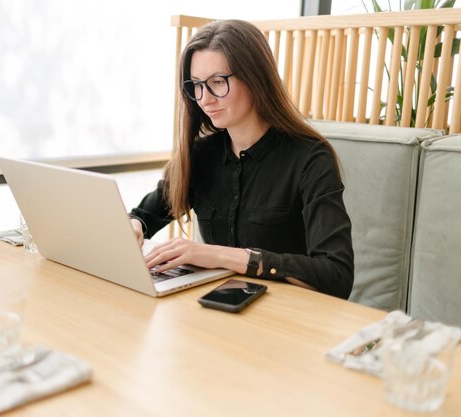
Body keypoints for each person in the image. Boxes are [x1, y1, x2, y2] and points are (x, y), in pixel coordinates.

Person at [129, 19, 354, 299]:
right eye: (197, 85)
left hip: (288, 319)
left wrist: (222, 256)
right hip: (216, 310)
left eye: (217, 82)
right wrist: (134, 226)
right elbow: (145, 215)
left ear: (255, 77)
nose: (205, 99)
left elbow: (337, 275)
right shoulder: (201, 155)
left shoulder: (310, 158)